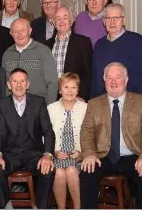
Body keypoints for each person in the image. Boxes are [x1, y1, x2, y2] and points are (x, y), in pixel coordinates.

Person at [80, 62, 142, 209]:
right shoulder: (93, 104)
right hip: (103, 156)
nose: (113, 82)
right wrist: (89, 154)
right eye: (109, 78)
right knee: (86, 173)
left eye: (118, 77)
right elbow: (87, 131)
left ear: (126, 79)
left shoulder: (141, 102)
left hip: (133, 156)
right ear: (104, 80)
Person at [0, 68, 55, 209]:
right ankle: (6, 206)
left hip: (33, 153)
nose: (18, 85)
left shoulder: (39, 102)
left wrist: (48, 155)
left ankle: (40, 206)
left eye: (22, 81)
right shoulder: (2, 104)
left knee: (48, 169)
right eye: (15, 81)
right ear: (9, 85)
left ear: (28, 84)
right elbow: (0, 133)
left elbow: (48, 131)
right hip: (11, 153)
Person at [90, 3, 142, 98]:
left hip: (130, 102)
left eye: (116, 18)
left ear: (123, 20)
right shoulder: (99, 44)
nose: (112, 22)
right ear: (104, 21)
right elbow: (95, 77)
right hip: (102, 103)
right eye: (108, 18)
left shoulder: (137, 41)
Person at [47, 73, 87, 209]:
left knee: (70, 170)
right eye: (66, 87)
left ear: (78, 90)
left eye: (74, 87)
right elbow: (44, 136)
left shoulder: (86, 108)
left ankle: (77, 207)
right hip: (56, 156)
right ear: (59, 90)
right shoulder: (50, 109)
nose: (70, 91)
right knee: (58, 172)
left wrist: (81, 152)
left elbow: (91, 135)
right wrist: (54, 151)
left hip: (78, 157)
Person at [2, 18, 58, 105]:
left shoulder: (43, 51)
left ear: (30, 31)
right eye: (16, 31)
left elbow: (52, 82)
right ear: (11, 33)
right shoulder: (7, 54)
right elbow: (5, 84)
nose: (19, 34)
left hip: (38, 106)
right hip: (13, 108)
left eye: (23, 30)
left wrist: (50, 107)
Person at [45, 7, 93, 101]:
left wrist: (82, 96)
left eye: (65, 18)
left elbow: (88, 73)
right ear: (54, 23)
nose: (61, 21)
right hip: (51, 97)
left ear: (71, 22)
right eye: (58, 18)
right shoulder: (46, 45)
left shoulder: (83, 42)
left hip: (74, 96)